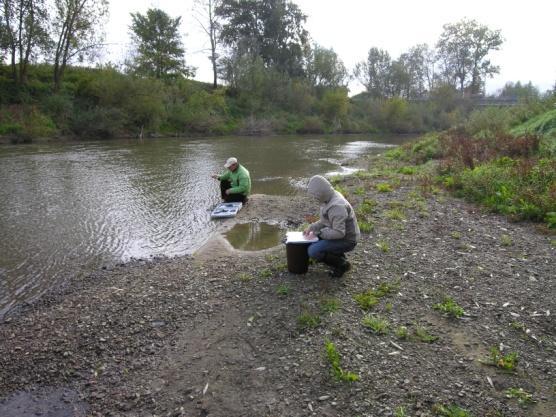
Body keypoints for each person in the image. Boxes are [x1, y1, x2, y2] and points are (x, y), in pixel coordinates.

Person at [303, 175, 360, 277]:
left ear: (320, 193)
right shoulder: (329, 198)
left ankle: (342, 264)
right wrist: (312, 228)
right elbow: (324, 221)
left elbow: (339, 233)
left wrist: (319, 233)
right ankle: (337, 255)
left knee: (313, 251)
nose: (314, 198)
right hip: (341, 235)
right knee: (314, 241)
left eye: (315, 195)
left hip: (348, 240)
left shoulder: (337, 207)